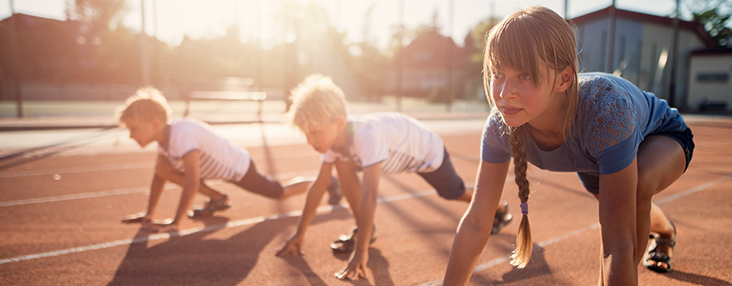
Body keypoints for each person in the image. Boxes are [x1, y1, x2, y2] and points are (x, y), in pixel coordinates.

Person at [443, 6, 694, 285]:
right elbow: (478, 221)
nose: (504, 93)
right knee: (624, 207)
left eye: (524, 75)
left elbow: (617, 243)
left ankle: (665, 234)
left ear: (564, 78)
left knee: (633, 196)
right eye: (497, 73)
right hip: (592, 154)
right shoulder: (500, 126)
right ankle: (665, 230)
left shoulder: (605, 113)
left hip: (662, 136)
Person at [274, 74, 514, 280]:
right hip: (400, 151)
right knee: (342, 164)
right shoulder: (333, 144)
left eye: (315, 132)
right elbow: (319, 185)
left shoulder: (366, 136)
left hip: (427, 153)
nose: (310, 141)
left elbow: (370, 196)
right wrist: (300, 233)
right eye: (306, 134)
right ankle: (365, 229)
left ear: (339, 124)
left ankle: (497, 208)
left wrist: (360, 251)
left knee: (453, 193)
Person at [117, 87, 341, 233]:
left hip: (237, 167)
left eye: (134, 129)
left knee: (278, 192)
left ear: (155, 124)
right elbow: (159, 176)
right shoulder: (165, 141)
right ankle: (218, 199)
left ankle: (328, 182)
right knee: (161, 168)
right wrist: (150, 214)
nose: (131, 135)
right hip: (215, 170)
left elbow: (192, 181)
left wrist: (177, 222)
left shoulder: (181, 135)